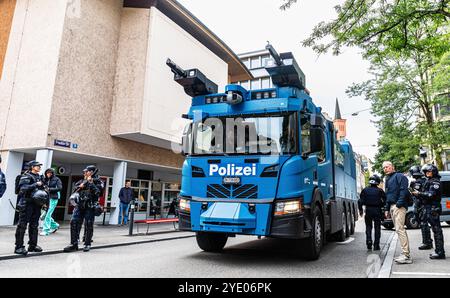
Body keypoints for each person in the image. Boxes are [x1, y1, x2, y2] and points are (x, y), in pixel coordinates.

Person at [64, 165, 103, 253]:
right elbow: (75, 190)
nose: (84, 173)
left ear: (92, 172)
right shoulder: (81, 181)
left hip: (90, 205)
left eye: (87, 171)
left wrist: (91, 183)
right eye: (84, 171)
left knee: (88, 224)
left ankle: (87, 244)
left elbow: (98, 193)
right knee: (74, 222)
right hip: (79, 205)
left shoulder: (98, 182)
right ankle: (74, 244)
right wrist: (80, 186)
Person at [412, 164, 446, 259]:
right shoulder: (429, 181)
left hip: (433, 208)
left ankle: (440, 252)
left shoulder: (435, 182)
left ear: (433, 172)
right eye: (426, 172)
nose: (427, 173)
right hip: (429, 208)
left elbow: (431, 195)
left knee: (437, 230)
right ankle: (438, 251)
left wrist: (419, 193)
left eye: (429, 172)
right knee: (435, 230)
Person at [14, 161, 46, 255]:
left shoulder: (40, 177)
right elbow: (23, 189)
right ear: (32, 167)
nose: (39, 167)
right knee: (22, 225)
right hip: (26, 203)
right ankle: (19, 247)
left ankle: (33, 245)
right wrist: (35, 184)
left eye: (40, 166)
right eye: (37, 166)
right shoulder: (26, 176)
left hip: (36, 204)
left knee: (34, 225)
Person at [383, 161, 412, 264]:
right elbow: (388, 195)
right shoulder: (388, 179)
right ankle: (405, 253)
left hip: (398, 206)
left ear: (392, 167)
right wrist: (387, 208)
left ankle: (406, 255)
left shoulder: (400, 176)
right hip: (392, 206)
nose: (385, 169)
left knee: (400, 229)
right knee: (398, 230)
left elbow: (403, 190)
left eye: (387, 167)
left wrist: (399, 204)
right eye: (384, 168)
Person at [358, 175, 386, 251]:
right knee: (377, 228)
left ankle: (369, 241)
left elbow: (360, 201)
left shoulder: (365, 190)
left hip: (368, 210)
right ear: (377, 182)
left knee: (368, 227)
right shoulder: (380, 191)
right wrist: (383, 207)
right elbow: (385, 201)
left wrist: (360, 210)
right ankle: (376, 245)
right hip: (377, 210)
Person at [409, 165, 429, 249]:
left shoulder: (416, 183)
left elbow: (414, 194)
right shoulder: (425, 180)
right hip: (424, 204)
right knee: (424, 224)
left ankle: (426, 243)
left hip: (420, 205)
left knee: (423, 224)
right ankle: (428, 241)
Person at [40, 168, 62, 236]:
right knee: (43, 215)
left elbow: (59, 188)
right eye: (47, 173)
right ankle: (55, 225)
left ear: (52, 173)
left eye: (50, 173)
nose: (48, 174)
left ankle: (46, 230)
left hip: (53, 198)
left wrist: (50, 189)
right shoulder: (45, 179)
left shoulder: (57, 179)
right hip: (46, 198)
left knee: (48, 214)